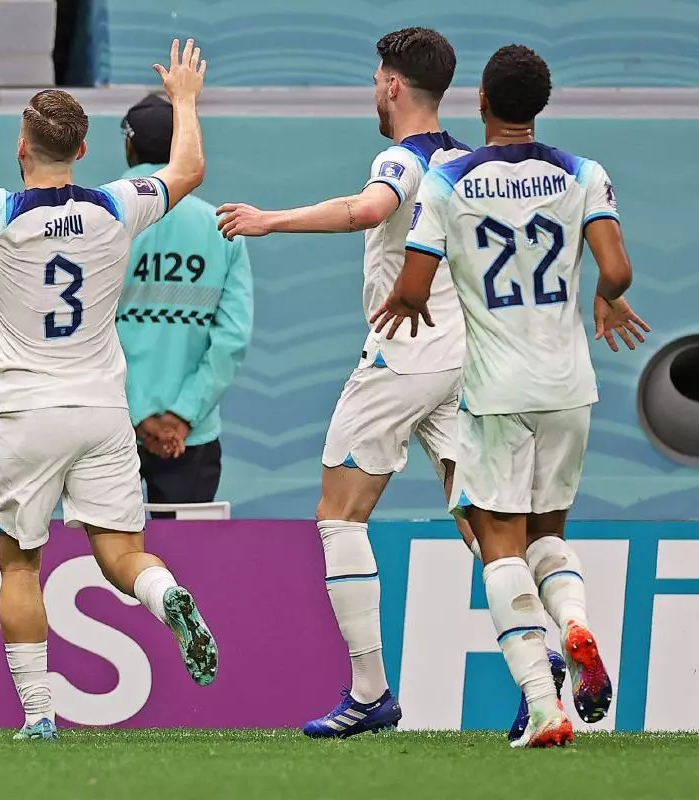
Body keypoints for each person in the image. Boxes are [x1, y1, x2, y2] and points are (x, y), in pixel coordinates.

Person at [0, 18, 220, 740]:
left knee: (20, 565)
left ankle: (40, 716)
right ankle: (167, 593)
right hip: (101, 411)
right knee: (122, 555)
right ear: (83, 151)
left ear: (21, 146)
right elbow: (187, 172)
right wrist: (183, 99)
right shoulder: (117, 205)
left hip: (25, 412)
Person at [371, 44, 649, 748]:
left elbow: (411, 287)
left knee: (500, 547)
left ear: (483, 104)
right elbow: (616, 269)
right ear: (540, 106)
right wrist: (608, 300)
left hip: (495, 392)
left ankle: (544, 705)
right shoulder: (583, 172)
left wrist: (404, 307)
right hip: (567, 389)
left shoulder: (448, 179)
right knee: (549, 536)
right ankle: (578, 623)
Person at [217, 27, 474, 738]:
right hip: (464, 358)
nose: (374, 90)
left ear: (392, 85)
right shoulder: (463, 159)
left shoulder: (402, 158)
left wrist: (270, 220)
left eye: (375, 79)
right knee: (481, 519)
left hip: (404, 353)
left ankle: (370, 691)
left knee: (340, 515)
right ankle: (542, 661)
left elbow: (368, 209)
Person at [115, 94, 253, 512]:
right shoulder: (222, 227)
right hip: (190, 435)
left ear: (129, 145)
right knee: (188, 567)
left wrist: (138, 412)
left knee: (99, 557)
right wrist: (182, 415)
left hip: (111, 422)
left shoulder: (104, 219)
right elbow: (231, 339)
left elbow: (87, 329)